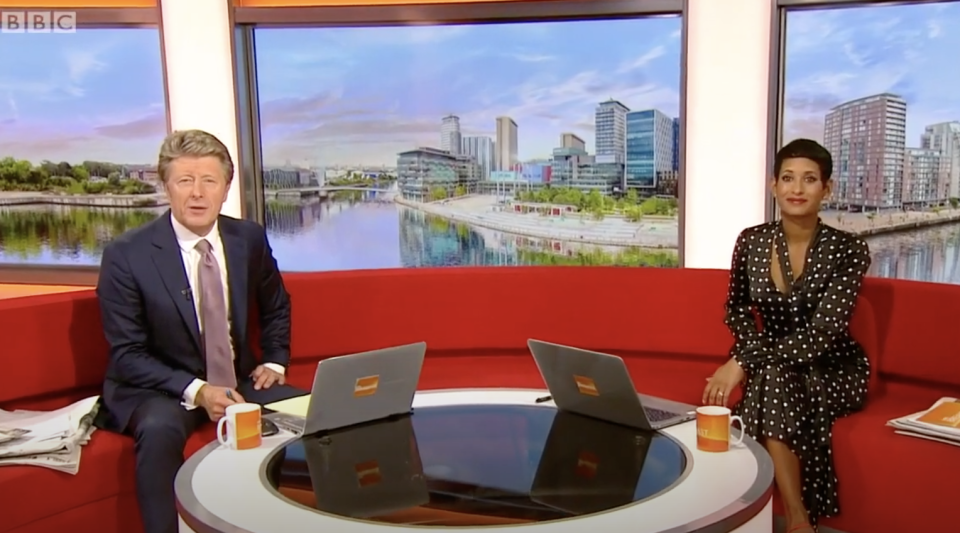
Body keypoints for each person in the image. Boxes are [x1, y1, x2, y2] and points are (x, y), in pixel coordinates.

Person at [94, 129, 307, 533]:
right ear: (166, 186)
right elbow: (127, 353)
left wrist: (275, 359)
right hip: (159, 387)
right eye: (185, 181)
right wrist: (198, 390)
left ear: (225, 188)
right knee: (158, 432)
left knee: (318, 411)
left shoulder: (248, 237)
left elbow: (276, 304)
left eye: (209, 181)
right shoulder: (126, 254)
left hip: (237, 378)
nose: (197, 193)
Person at [702, 139, 871, 533]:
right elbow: (737, 309)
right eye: (788, 178)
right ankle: (798, 522)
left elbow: (824, 332)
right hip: (771, 364)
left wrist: (742, 363)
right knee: (775, 380)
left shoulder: (849, 250)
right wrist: (747, 354)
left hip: (832, 366)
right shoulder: (752, 241)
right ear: (773, 185)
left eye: (810, 179)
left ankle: (780, 517)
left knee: (769, 382)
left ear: (826, 189)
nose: (797, 189)